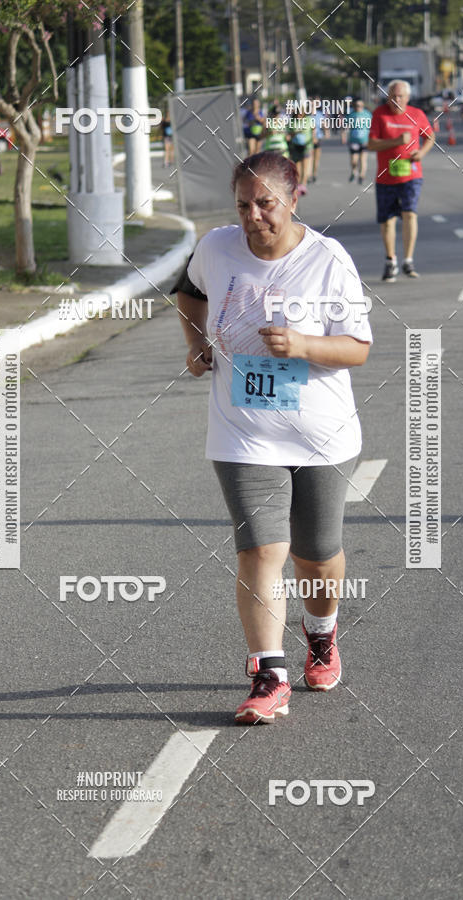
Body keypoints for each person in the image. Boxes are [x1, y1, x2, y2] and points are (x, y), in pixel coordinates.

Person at [172, 151, 372, 725]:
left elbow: (357, 348)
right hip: (244, 433)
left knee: (317, 554)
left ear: (294, 197)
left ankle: (322, 634)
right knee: (261, 549)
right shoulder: (216, 249)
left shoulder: (328, 260)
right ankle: (268, 674)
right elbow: (188, 294)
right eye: (242, 205)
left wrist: (304, 346)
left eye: (266, 204)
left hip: (321, 435)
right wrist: (195, 344)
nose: (253, 217)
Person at [368, 80, 434, 281]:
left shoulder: (417, 114)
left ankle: (408, 260)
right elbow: (371, 144)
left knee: (409, 214)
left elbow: (430, 137)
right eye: (392, 96)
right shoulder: (380, 114)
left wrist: (421, 153)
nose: (396, 100)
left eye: (400, 96)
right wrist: (396, 142)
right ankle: (391, 261)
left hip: (411, 175)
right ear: (387, 96)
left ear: (408, 97)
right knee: (387, 221)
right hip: (386, 176)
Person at [341, 98, 372, 184]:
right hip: (353, 141)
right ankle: (354, 172)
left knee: (363, 159)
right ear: (354, 106)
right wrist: (343, 136)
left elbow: (372, 126)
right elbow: (345, 126)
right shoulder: (351, 114)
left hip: (365, 140)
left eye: (361, 106)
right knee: (354, 160)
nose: (359, 107)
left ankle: (362, 175)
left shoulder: (367, 114)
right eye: (357, 106)